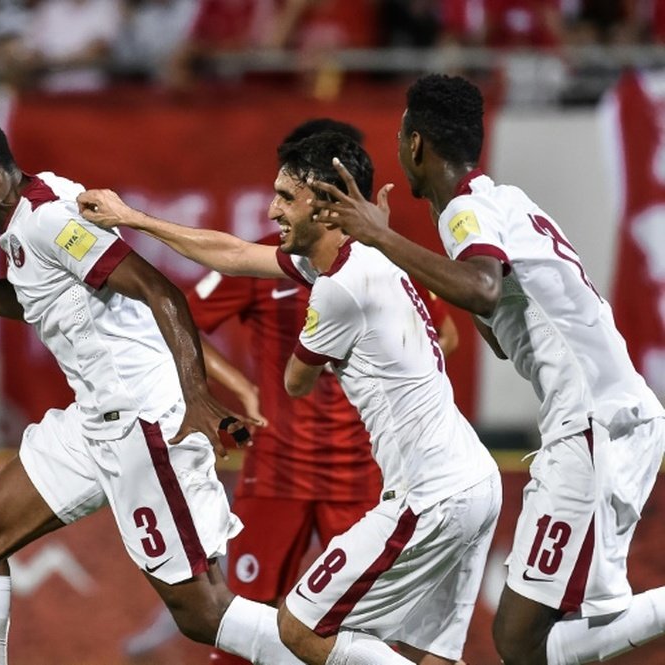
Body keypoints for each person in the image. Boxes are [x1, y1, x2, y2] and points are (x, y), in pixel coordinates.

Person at [0, 108, 307, 665]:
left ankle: (360, 660)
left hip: (143, 419)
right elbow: (34, 297)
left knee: (203, 614)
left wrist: (196, 396)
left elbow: (162, 292)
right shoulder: (29, 214)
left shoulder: (48, 219)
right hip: (94, 421)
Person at [78, 130, 501, 665]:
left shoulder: (338, 285)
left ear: (324, 206)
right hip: (474, 481)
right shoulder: (370, 257)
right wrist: (135, 219)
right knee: (429, 653)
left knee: (299, 628)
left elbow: (296, 381)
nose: (272, 209)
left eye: (284, 196)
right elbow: (231, 254)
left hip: (428, 493)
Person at [307, 72, 665, 665]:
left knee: (521, 638)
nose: (398, 145)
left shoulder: (465, 214)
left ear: (415, 144)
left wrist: (379, 238)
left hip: (594, 424)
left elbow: (481, 290)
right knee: (528, 639)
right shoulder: (504, 201)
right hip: (608, 418)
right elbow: (499, 330)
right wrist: (394, 245)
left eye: (400, 134)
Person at [188, 118, 457, 665]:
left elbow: (443, 332)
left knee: (360, 638)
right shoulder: (277, 257)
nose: (276, 209)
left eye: (288, 193)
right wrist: (239, 386)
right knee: (243, 626)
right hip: (279, 470)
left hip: (361, 475)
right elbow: (187, 319)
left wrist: (384, 372)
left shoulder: (376, 264)